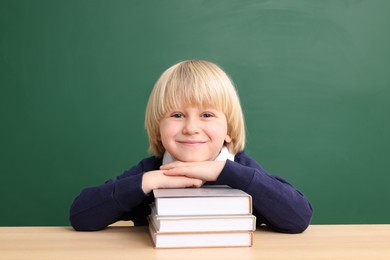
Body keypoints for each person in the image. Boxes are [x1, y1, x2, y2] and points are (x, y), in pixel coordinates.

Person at [69, 60, 313, 233]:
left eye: (207, 115)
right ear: (159, 129)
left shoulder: (240, 167)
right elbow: (81, 216)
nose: (191, 128)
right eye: (177, 115)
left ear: (228, 130)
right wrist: (150, 182)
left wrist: (223, 172)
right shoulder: (152, 171)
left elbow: (299, 217)